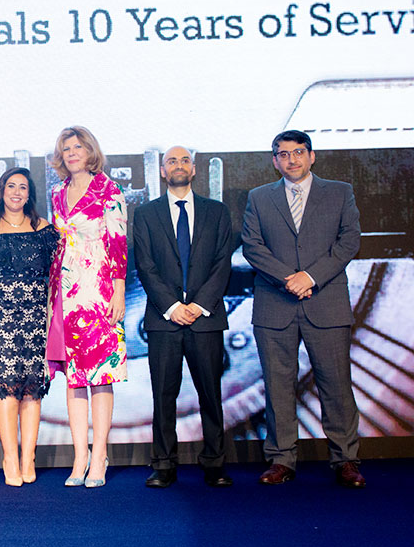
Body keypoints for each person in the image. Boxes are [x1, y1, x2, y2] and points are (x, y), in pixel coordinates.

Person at [242, 130, 365, 488]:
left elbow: (349, 241)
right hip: (274, 305)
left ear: (312, 156)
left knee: (336, 385)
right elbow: (252, 246)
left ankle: (345, 460)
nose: (291, 159)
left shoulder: (339, 192)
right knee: (278, 386)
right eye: (283, 154)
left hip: (325, 303)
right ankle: (281, 460)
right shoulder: (259, 197)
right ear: (274, 161)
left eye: (298, 152)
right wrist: (289, 279)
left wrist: (310, 277)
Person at [133, 146, 233, 489]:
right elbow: (145, 265)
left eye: (185, 160)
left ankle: (215, 463)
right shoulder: (146, 214)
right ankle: (163, 464)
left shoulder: (216, 212)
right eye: (172, 161)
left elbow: (222, 262)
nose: (179, 165)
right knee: (163, 395)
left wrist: (199, 304)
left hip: (206, 318)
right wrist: (173, 307)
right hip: (164, 319)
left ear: (194, 169)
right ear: (163, 170)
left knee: (211, 394)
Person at [46, 126, 127, 488]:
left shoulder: (109, 189)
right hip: (65, 291)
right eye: (66, 148)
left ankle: (100, 456)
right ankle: (80, 456)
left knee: (100, 375)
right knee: (74, 377)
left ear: (90, 150)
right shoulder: (57, 192)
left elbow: (118, 242)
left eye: (78, 146)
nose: (72, 153)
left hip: (99, 290)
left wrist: (119, 292)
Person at [0, 167, 59, 487]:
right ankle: (10, 457)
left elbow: (56, 277)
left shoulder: (44, 229)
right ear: (1, 191)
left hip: (36, 320)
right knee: (6, 389)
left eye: (23, 187)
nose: (17, 192)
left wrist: (53, 319)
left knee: (32, 390)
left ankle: (28, 458)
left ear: (29, 194)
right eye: (11, 186)